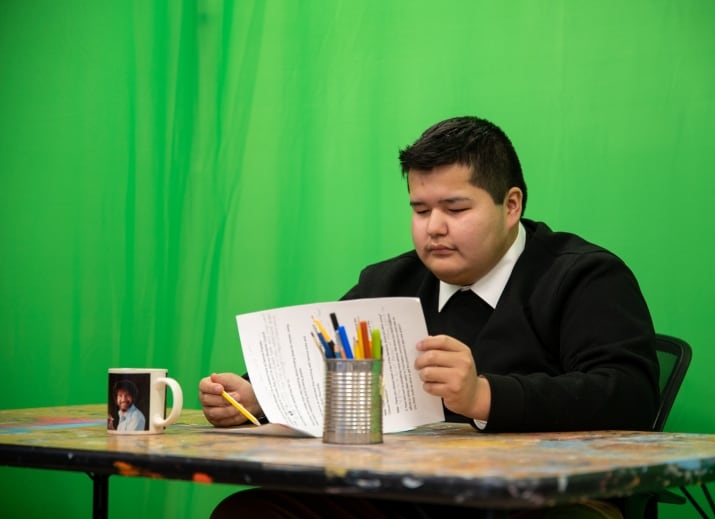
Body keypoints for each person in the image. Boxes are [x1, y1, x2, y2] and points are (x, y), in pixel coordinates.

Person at [199, 116, 660, 518]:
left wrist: (484, 396)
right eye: (420, 210)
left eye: (455, 208)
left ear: (511, 205)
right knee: (249, 510)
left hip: (535, 502)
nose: (433, 227)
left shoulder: (582, 275)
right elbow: (318, 359)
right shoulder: (389, 282)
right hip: (399, 497)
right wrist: (257, 396)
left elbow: (631, 393)